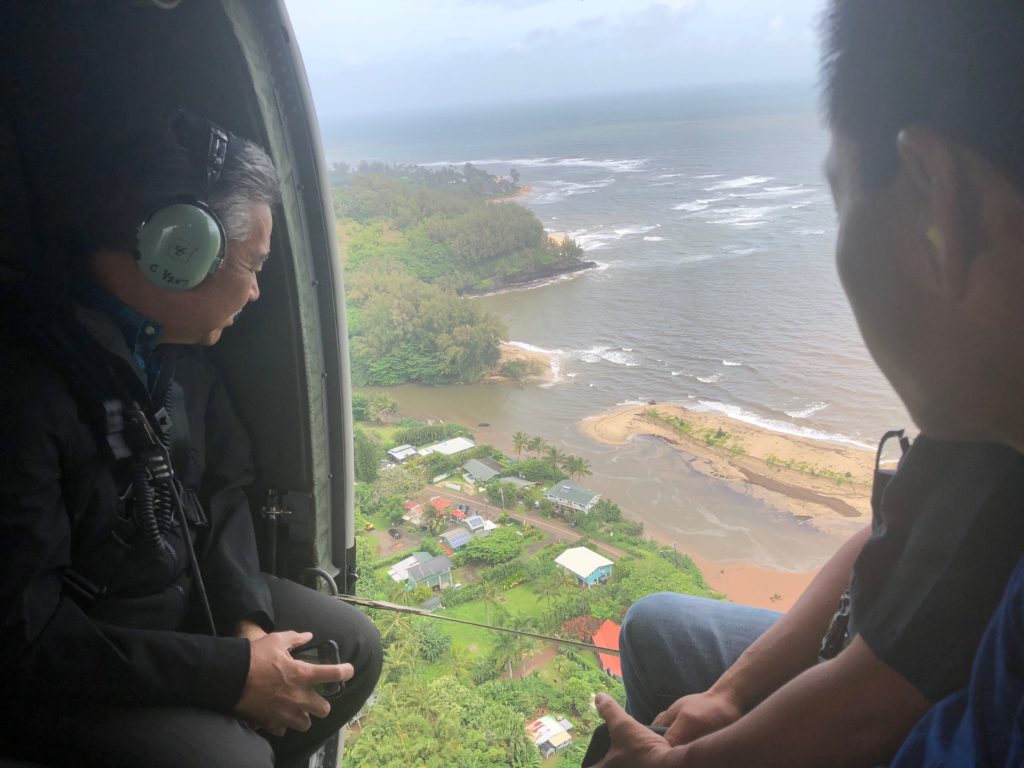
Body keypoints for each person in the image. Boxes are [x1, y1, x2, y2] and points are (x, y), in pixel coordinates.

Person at [591, 0, 1024, 765]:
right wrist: (730, 695)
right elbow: (891, 536)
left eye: (840, 200)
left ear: (937, 200)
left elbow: (877, 704)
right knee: (657, 625)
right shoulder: (986, 421)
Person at [0, 110, 382, 767]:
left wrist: (245, 622)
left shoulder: (177, 357)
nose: (258, 292)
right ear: (180, 253)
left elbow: (224, 489)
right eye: (253, 266)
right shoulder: (24, 388)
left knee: (352, 646)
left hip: (172, 609)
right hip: (65, 664)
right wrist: (232, 674)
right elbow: (28, 634)